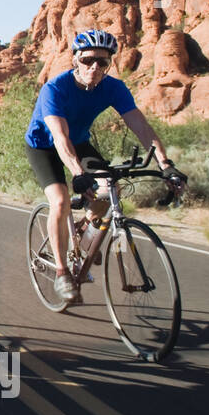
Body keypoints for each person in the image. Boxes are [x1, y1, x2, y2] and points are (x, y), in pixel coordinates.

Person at [24, 29, 187, 304]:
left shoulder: (114, 88)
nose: (94, 67)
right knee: (61, 201)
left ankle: (84, 227)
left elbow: (141, 127)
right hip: (45, 146)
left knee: (111, 187)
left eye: (102, 61)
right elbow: (60, 138)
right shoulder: (55, 88)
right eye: (88, 60)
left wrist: (165, 164)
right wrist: (77, 174)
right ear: (75, 60)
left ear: (109, 63)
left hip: (79, 142)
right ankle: (63, 273)